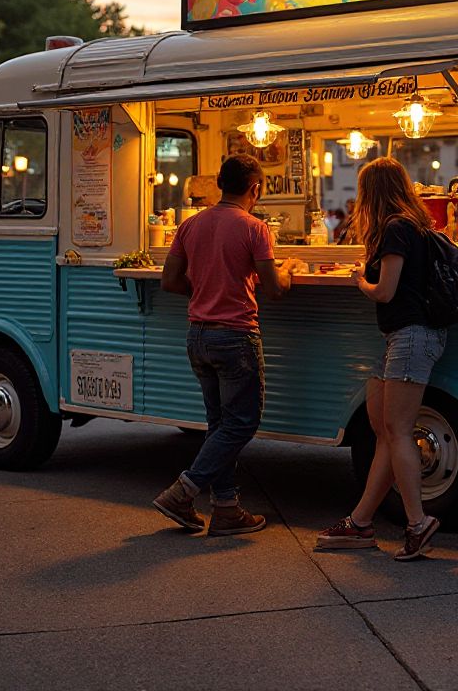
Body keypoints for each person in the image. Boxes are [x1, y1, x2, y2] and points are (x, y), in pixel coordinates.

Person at [153, 154, 300, 536]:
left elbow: (170, 280)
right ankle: (183, 491)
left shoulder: (190, 225)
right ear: (255, 188)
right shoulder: (254, 228)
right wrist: (288, 270)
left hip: (197, 335)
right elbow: (273, 289)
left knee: (220, 426)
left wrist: (203, 290)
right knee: (241, 423)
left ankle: (227, 509)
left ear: (220, 184)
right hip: (234, 336)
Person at [317, 157, 443, 562]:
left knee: (399, 431)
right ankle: (360, 522)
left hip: (410, 336)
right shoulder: (414, 225)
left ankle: (417, 523)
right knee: (384, 429)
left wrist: (360, 280)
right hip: (400, 339)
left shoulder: (395, 228)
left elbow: (385, 291)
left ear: (373, 192)